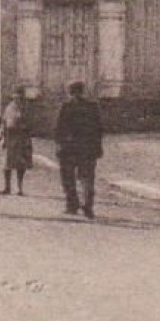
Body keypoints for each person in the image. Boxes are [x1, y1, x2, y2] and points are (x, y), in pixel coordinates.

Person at [53, 80, 104, 220]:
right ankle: (88, 206)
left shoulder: (66, 107)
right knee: (87, 179)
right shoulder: (92, 107)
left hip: (69, 149)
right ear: (82, 91)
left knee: (68, 178)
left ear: (70, 92)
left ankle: (72, 205)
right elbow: (99, 129)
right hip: (88, 149)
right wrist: (98, 147)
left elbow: (59, 128)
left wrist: (58, 145)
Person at [0, 86, 33, 196]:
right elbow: (4, 121)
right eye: (15, 96)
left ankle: (19, 187)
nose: (17, 98)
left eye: (20, 96)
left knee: (20, 164)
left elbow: (31, 123)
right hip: (9, 137)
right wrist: (2, 134)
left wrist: (25, 128)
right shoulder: (9, 107)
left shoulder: (26, 107)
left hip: (22, 138)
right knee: (7, 164)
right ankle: (7, 187)